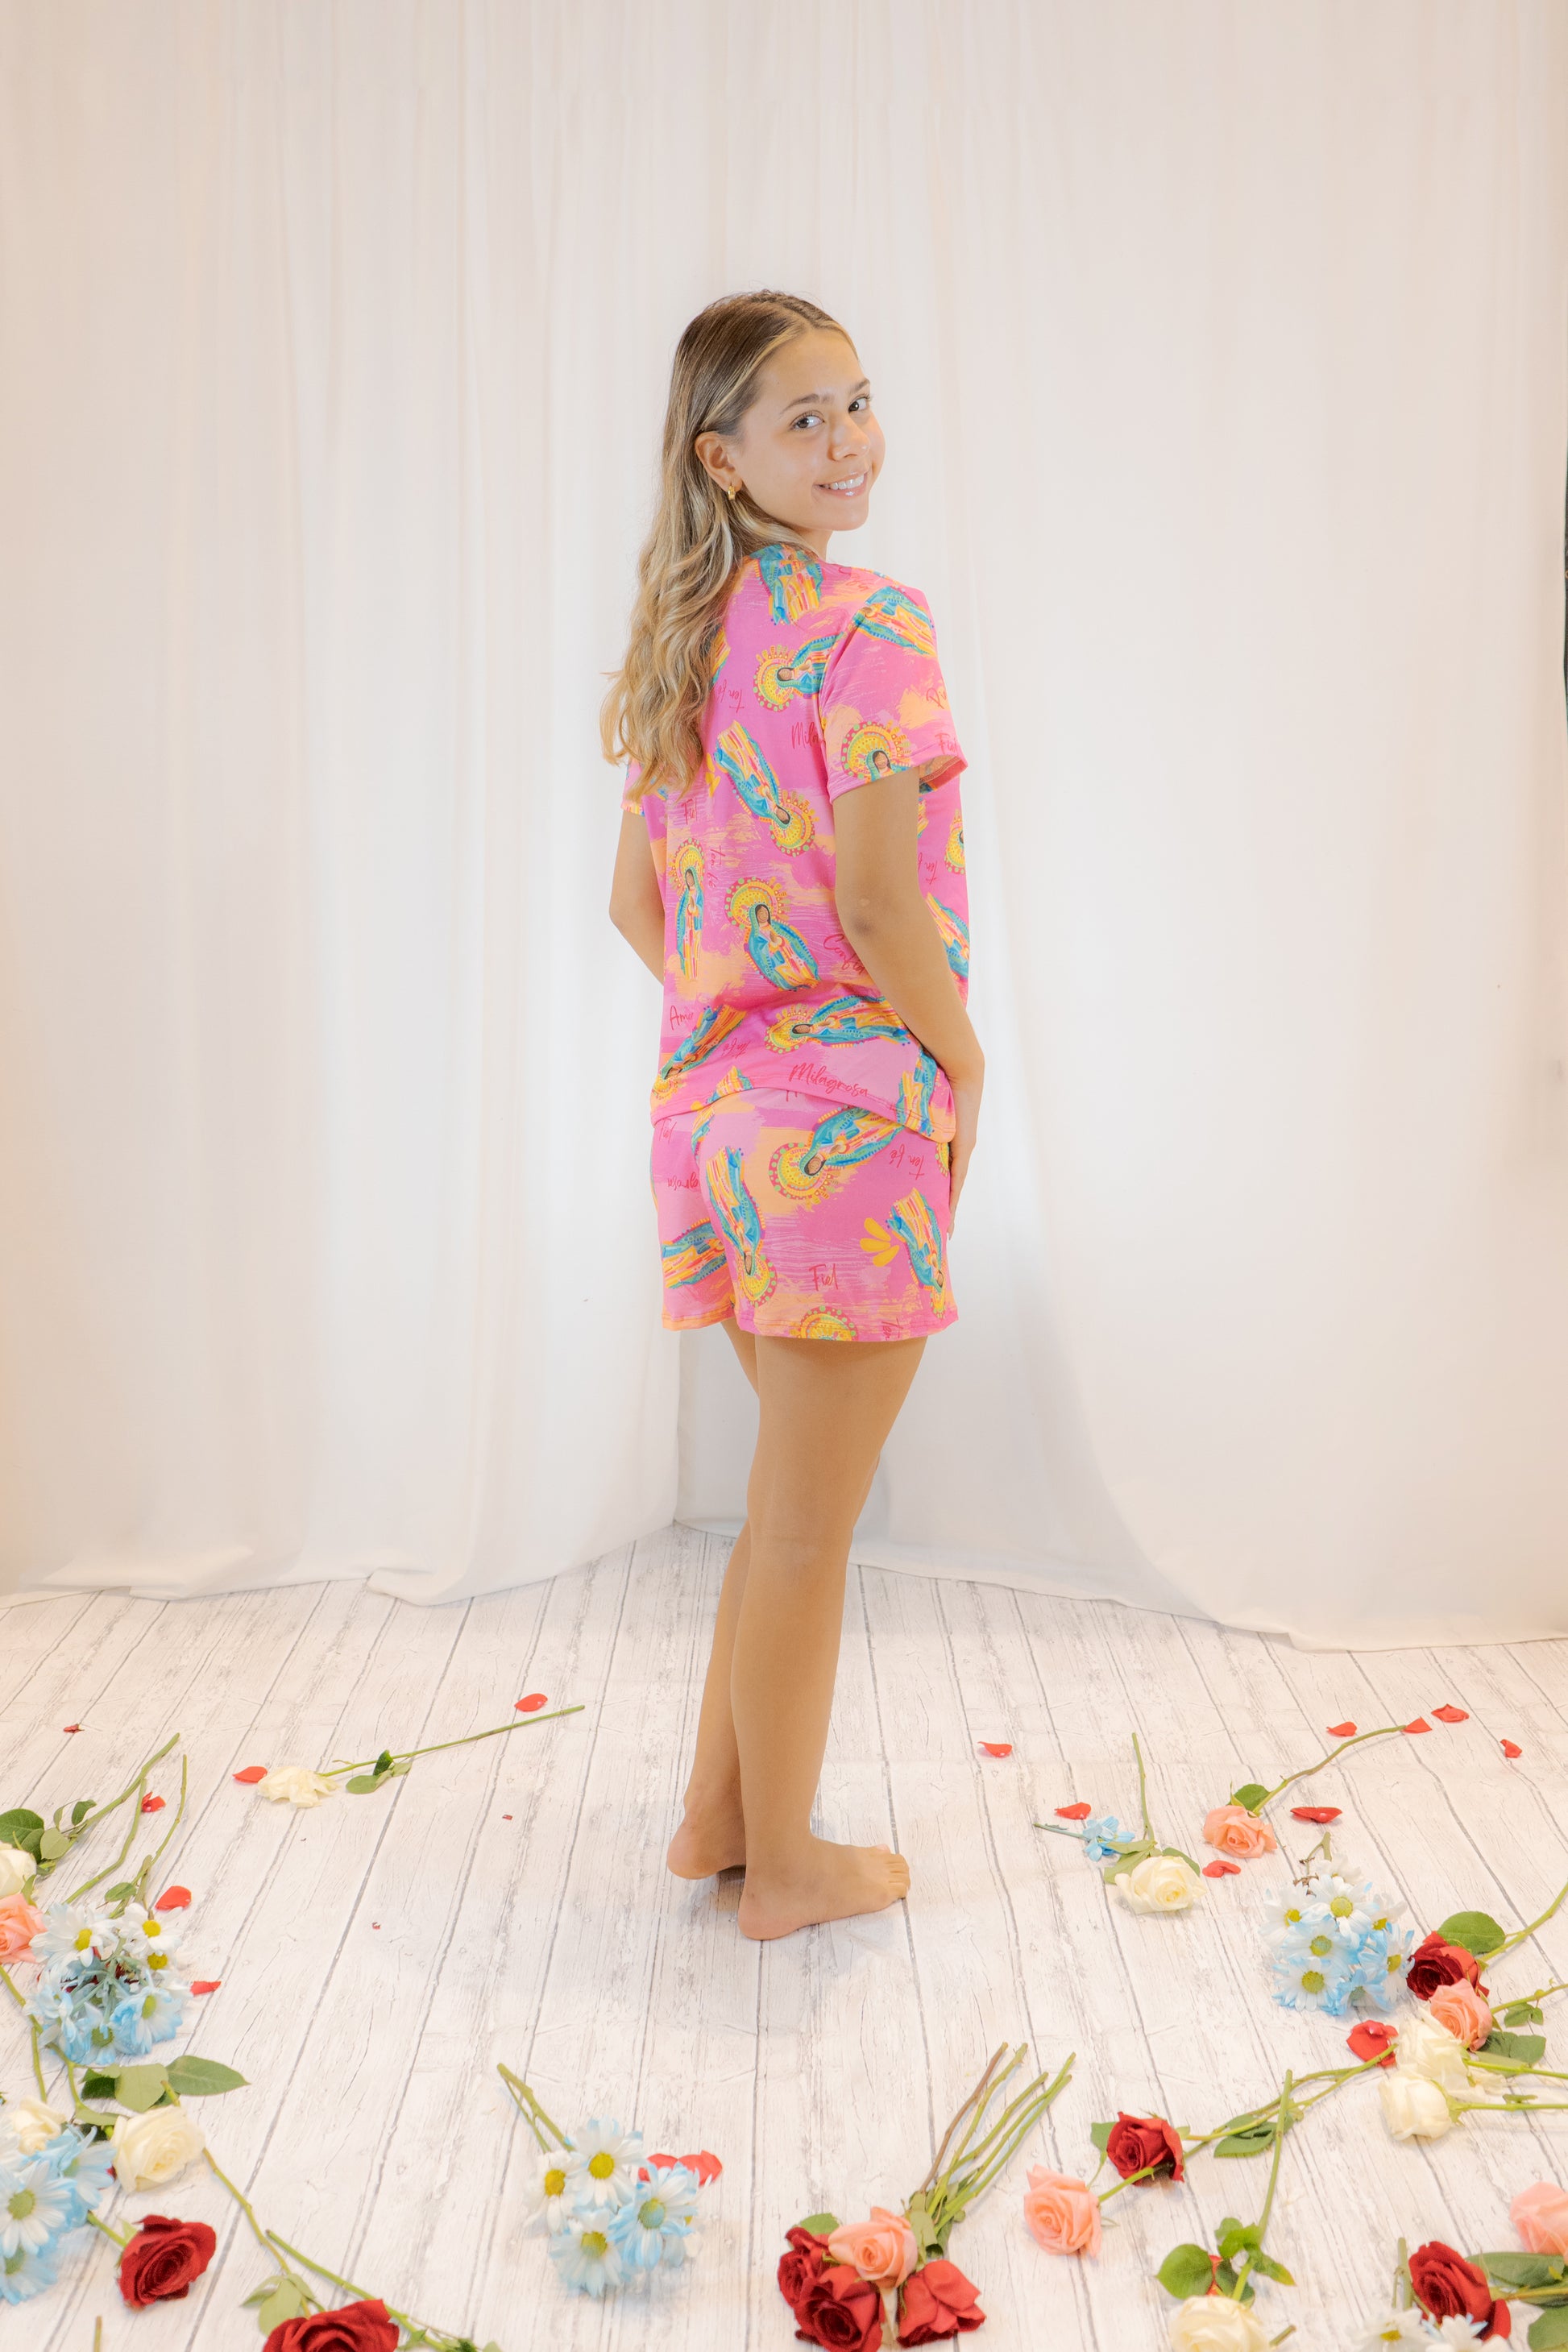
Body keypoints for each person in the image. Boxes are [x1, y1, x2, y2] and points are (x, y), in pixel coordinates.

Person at [604, 292, 984, 1940]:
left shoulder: (683, 641)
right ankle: (788, 1869)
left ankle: (717, 1816)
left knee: (780, 1512)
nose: (849, 442)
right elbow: (881, 903)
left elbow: (638, 904)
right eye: (803, 419)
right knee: (807, 1533)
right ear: (723, 458)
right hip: (845, 1129)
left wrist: (748, 1029)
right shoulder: (867, 624)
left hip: (712, 1128)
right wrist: (957, 1063)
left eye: (857, 403)